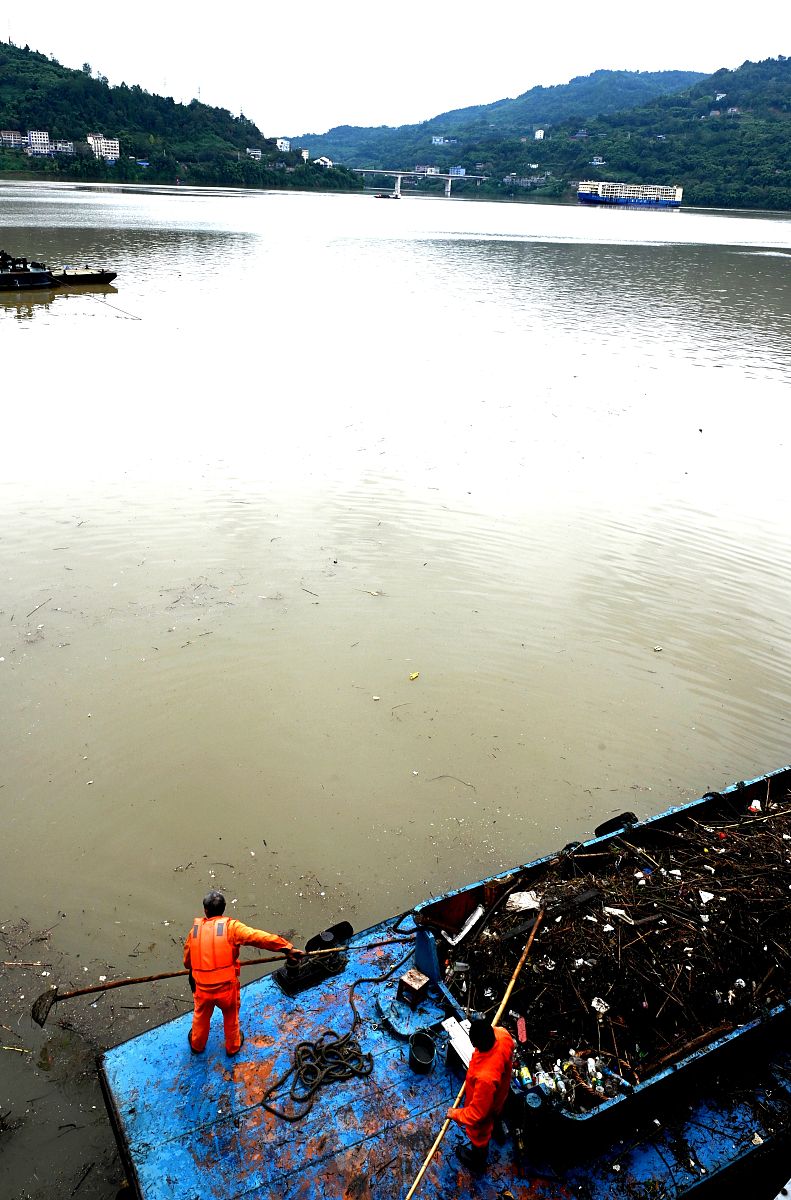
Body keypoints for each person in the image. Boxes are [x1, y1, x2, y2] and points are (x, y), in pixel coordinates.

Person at [183, 890, 304, 1056]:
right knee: (231, 1017)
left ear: (205, 910)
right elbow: (258, 937)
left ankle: (197, 1044)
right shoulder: (232, 928)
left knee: (201, 1017)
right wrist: (287, 948)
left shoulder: (194, 933)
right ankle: (232, 1047)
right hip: (226, 989)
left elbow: (187, 962)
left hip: (202, 989)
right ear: (224, 909)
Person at [447, 1018, 515, 1173]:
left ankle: (477, 1161)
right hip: (500, 1095)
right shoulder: (503, 1034)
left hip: (487, 1103)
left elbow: (477, 1114)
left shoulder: (485, 1078)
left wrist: (455, 1114)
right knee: (497, 1114)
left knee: (479, 1135)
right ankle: (499, 1133)